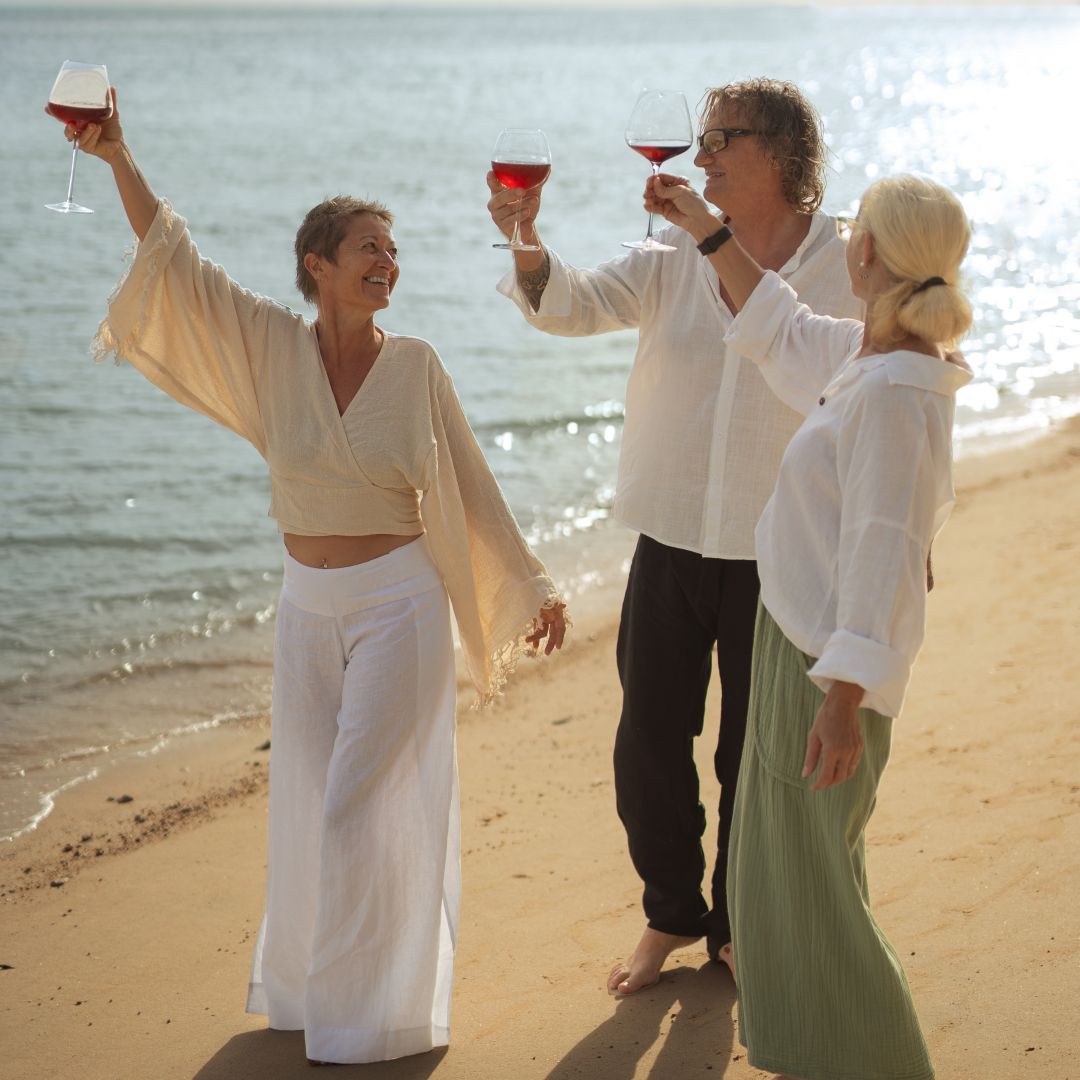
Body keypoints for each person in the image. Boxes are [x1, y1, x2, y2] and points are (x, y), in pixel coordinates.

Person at [64, 89, 568, 1066]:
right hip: (307, 611)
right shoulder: (268, 347)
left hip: (399, 609)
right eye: (368, 249)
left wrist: (530, 581)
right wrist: (118, 156)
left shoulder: (416, 364)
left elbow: (466, 477)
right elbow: (172, 256)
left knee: (358, 809)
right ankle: (304, 996)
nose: (388, 263)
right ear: (318, 267)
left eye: (393, 250)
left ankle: (368, 1018)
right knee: (304, 807)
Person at [487, 78, 861, 995]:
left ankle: (735, 927)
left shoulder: (851, 261)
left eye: (720, 138)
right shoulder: (669, 257)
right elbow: (566, 304)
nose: (701, 156)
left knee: (753, 753)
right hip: (668, 534)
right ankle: (670, 914)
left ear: (778, 151)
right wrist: (525, 236)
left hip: (782, 547)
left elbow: (867, 393)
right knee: (648, 743)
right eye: (700, 139)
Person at [647, 169, 972, 1079]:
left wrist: (841, 698)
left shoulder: (896, 389)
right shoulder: (872, 357)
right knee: (787, 884)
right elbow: (779, 323)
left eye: (852, 225)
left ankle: (882, 1063)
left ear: (864, 251)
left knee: (811, 895)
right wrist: (708, 227)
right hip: (804, 650)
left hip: (823, 670)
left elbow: (880, 543)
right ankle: (823, 1057)